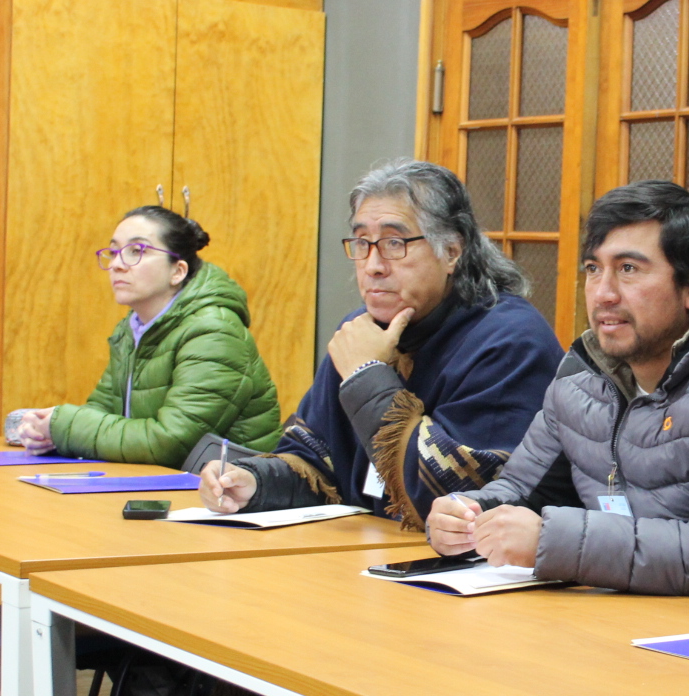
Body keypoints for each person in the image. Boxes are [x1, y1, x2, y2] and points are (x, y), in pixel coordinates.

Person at [425, 180, 689, 597]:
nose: (603, 293)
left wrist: (550, 540)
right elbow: (521, 489)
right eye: (593, 269)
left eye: (628, 269)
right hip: (621, 608)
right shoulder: (583, 370)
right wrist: (468, 516)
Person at [199, 160, 562, 529]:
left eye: (394, 243)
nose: (373, 265)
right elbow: (315, 459)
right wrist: (255, 482)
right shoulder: (362, 330)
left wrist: (367, 377)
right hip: (360, 546)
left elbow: (455, 502)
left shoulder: (509, 340)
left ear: (452, 251)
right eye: (362, 243)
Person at [13, 205, 279, 468]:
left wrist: (66, 426)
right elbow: (101, 410)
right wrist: (48, 434)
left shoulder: (214, 330)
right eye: (114, 252)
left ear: (178, 271)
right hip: (154, 479)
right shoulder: (133, 329)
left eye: (136, 251)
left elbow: (171, 442)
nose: (117, 265)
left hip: (226, 487)